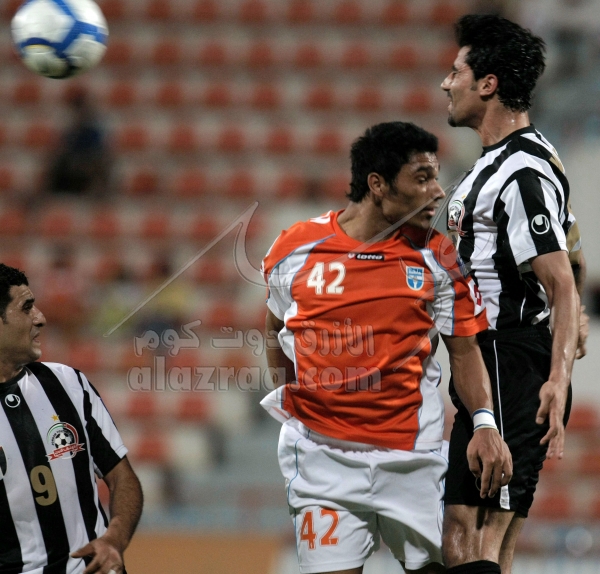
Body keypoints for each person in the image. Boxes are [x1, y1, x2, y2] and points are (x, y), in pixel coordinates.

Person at [260, 122, 512, 574]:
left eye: (436, 177)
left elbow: (464, 350)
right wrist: (296, 398)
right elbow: (274, 327)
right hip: (323, 462)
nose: (438, 191)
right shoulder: (295, 249)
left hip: (413, 458)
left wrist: (484, 423)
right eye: (422, 178)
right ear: (377, 184)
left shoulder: (437, 256)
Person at [440, 14, 584, 574]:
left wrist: (557, 378)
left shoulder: (520, 171)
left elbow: (561, 279)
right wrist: (575, 325)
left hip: (510, 363)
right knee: (475, 539)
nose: (445, 83)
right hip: (492, 364)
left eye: (456, 72)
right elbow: (572, 246)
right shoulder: (518, 160)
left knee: (477, 538)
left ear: (488, 83)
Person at [0, 263, 143, 574]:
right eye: (26, 307)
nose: (41, 317)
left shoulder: (68, 383)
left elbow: (122, 477)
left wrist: (114, 540)